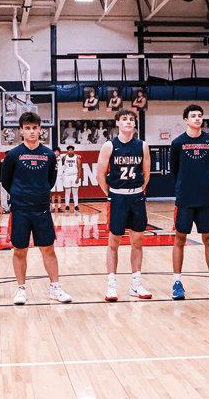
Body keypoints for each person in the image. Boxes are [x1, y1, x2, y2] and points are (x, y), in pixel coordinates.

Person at [2, 111, 73, 305]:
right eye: (27, 128)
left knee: (48, 249)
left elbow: (50, 181)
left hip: (41, 209)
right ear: (21, 131)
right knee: (19, 250)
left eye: (35, 128)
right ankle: (21, 289)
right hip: (20, 209)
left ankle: (55, 288)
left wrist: (38, 192)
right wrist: (22, 194)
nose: (32, 131)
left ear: (40, 129)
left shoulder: (49, 154)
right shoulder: (13, 155)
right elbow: (6, 181)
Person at [169, 104, 209, 299]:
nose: (197, 118)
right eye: (193, 116)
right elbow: (174, 171)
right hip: (185, 199)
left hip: (205, 199)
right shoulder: (178, 143)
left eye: (200, 116)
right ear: (185, 119)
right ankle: (177, 282)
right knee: (180, 240)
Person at [96, 109, 153, 301]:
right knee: (114, 242)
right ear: (117, 123)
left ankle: (136, 284)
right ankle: (112, 285)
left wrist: (137, 191)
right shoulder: (109, 146)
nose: (128, 122)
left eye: (131, 119)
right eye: (124, 119)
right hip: (117, 198)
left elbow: (146, 174)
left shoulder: (142, 146)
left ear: (135, 124)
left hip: (136, 198)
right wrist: (112, 194)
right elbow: (100, 175)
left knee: (137, 241)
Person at [60, 146, 82, 213]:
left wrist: (78, 177)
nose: (70, 151)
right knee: (67, 192)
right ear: (67, 151)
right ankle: (67, 205)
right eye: (69, 150)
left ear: (73, 151)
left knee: (75, 192)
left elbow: (79, 168)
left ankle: (76, 206)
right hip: (67, 176)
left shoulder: (77, 158)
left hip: (74, 176)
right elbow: (58, 156)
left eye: (71, 150)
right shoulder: (64, 157)